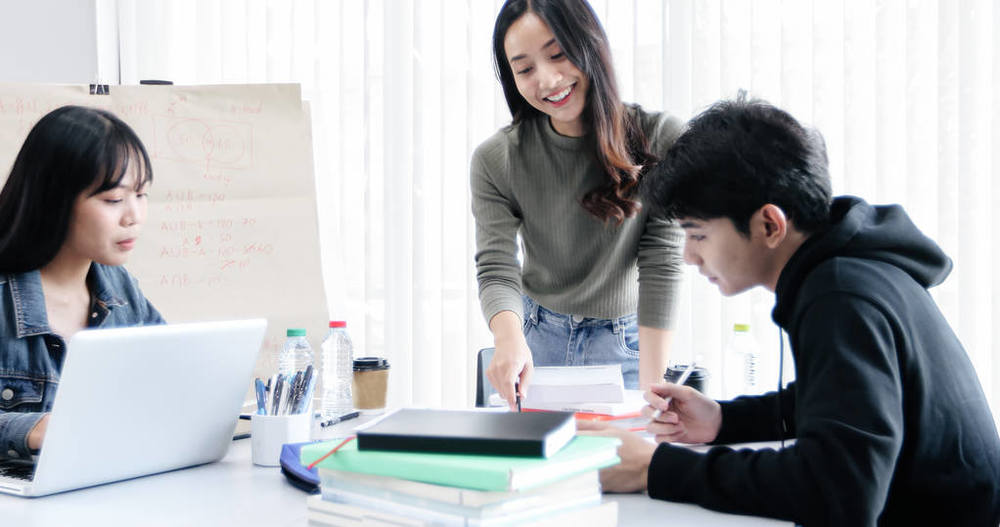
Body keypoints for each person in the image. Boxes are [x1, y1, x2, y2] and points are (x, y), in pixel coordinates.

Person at [579, 94, 1000, 525]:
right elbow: (844, 405)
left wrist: (655, 468)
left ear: (769, 225)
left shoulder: (841, 296)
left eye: (698, 235)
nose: (688, 256)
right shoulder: (856, 271)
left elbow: (838, 490)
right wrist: (725, 420)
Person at [472, 0, 685, 405]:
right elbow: (497, 264)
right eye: (525, 68)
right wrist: (509, 340)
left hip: (626, 344)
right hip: (536, 343)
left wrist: (653, 386)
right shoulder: (496, 158)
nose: (548, 80)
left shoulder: (660, 137)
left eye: (558, 54)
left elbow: (662, 261)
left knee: (629, 462)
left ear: (591, 45)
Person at [0, 106, 164, 460]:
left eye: (142, 194)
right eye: (114, 199)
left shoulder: (120, 290)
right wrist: (32, 430)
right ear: (54, 200)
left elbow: (172, 374)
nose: (133, 216)